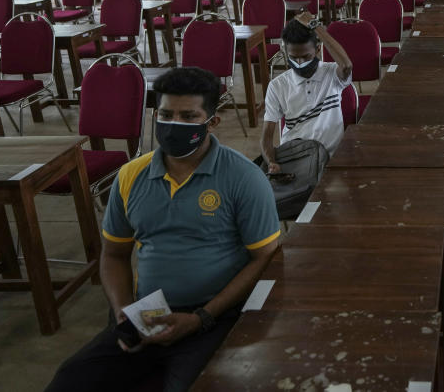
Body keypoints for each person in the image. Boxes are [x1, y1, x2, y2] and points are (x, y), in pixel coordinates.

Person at [47, 67, 281, 392]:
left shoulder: (243, 179)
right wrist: (123, 313)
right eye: (166, 114)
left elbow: (265, 258)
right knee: (69, 381)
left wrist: (202, 318)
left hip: (215, 316)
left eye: (188, 116)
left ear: (212, 122)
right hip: (149, 313)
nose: (174, 125)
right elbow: (114, 255)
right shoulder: (131, 176)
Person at [261, 9, 353, 170]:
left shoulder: (332, 74)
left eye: (305, 57)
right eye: (293, 58)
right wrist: (271, 162)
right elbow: (267, 136)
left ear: (318, 50)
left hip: (331, 159)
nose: (299, 62)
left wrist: (315, 26)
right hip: (296, 159)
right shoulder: (277, 86)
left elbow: (346, 65)